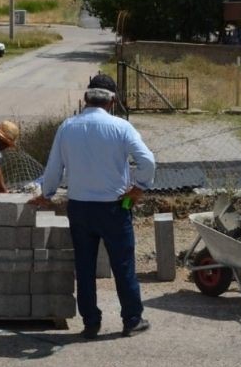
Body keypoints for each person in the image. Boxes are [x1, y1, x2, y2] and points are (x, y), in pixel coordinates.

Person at [33, 74, 156, 340]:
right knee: (122, 265)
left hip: (79, 207)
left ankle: (91, 323)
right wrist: (138, 189)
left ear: (85, 98)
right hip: (115, 206)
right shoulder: (121, 127)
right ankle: (132, 320)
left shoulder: (67, 127)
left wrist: (47, 193)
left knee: (85, 267)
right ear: (113, 101)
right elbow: (147, 161)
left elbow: (54, 168)